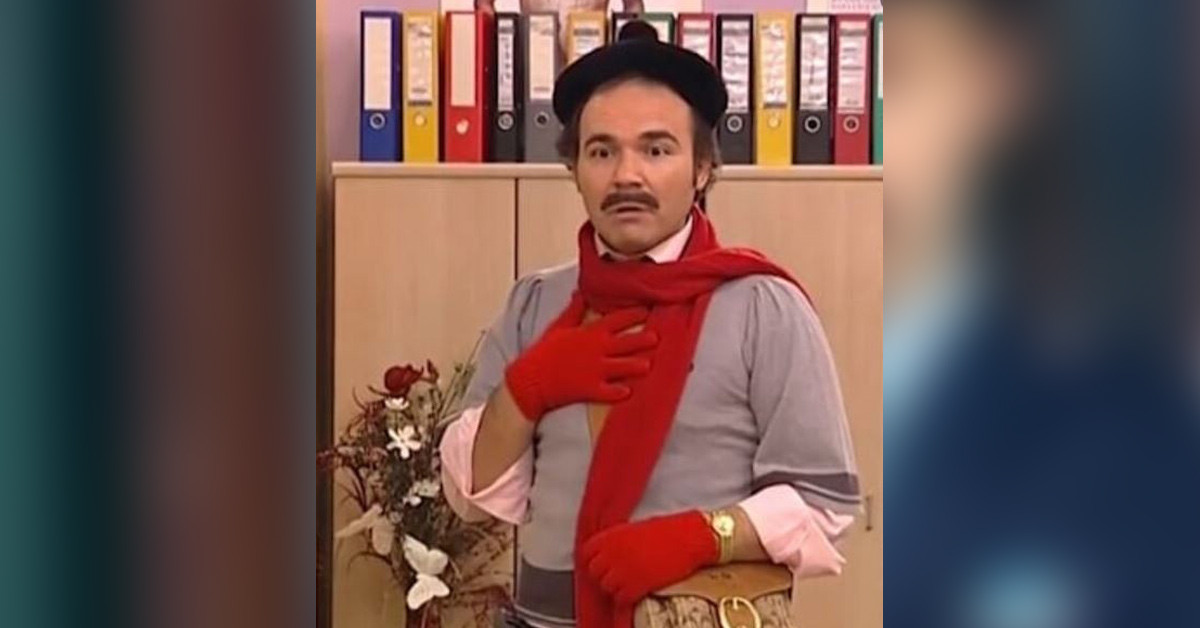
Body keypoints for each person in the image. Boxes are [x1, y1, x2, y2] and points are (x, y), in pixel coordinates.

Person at [439, 22, 860, 627]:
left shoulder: (764, 307)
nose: (626, 175)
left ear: (702, 169)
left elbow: (825, 504)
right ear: (575, 169)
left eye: (656, 150)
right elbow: (470, 496)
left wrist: (700, 536)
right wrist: (527, 389)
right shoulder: (534, 304)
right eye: (602, 151)